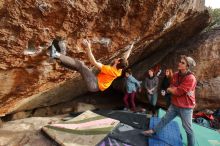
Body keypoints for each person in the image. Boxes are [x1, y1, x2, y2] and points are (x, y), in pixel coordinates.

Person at [143, 55, 197, 146]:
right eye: (180, 61)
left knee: (188, 129)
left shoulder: (191, 78)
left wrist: (171, 90)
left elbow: (177, 91)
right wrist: (174, 89)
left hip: (186, 107)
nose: (179, 63)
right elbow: (173, 86)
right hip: (175, 104)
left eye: (182, 63)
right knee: (165, 119)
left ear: (187, 66)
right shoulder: (176, 74)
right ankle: (153, 131)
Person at [50, 38, 134, 92]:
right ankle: (60, 61)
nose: (117, 58)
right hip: (95, 84)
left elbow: (94, 62)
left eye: (118, 59)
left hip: (94, 83)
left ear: (118, 62)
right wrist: (131, 47)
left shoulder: (110, 70)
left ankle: (55, 54)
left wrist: (88, 48)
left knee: (80, 65)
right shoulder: (119, 69)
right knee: (80, 68)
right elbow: (125, 58)